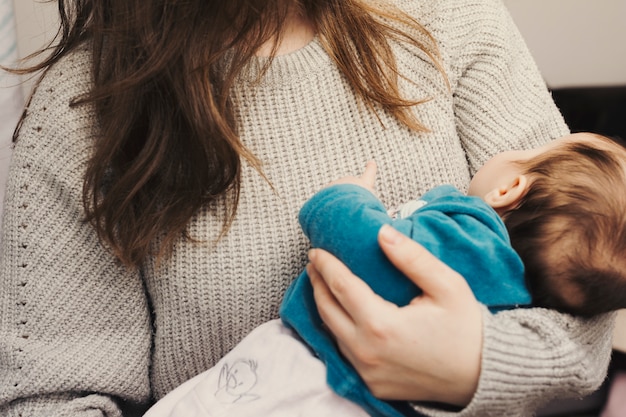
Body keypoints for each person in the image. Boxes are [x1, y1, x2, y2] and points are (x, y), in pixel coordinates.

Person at [0, 0, 615, 416]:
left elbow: (590, 294)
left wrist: (473, 366)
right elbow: (52, 399)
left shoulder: (456, 18)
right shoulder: (82, 113)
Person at [142, 131, 626, 417]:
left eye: (531, 149)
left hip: (315, 379)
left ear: (511, 187)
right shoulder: (518, 298)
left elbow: (372, 251)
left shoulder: (472, 234)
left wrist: (343, 199)